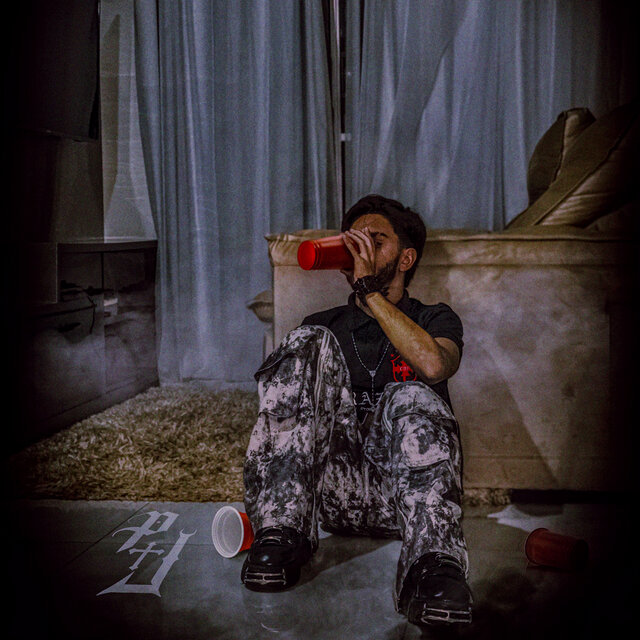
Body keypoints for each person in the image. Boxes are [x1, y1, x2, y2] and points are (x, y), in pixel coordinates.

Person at [241, 194, 472, 628]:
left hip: (405, 503)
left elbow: (434, 365)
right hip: (334, 498)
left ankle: (433, 566)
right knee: (303, 341)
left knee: (412, 394)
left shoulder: (435, 318)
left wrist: (370, 291)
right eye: (354, 241)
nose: (360, 250)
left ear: (406, 259)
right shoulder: (323, 326)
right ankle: (283, 530)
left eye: (376, 241)